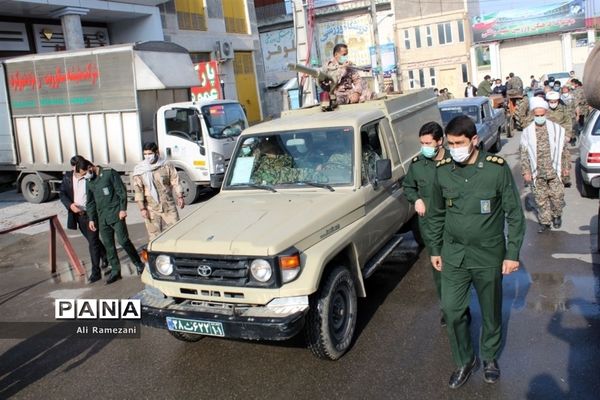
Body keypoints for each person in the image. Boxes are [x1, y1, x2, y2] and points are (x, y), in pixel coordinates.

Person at [425, 115, 525, 389]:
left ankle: (490, 357)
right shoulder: (443, 169)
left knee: (491, 310)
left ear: (474, 141)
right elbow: (435, 213)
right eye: (450, 143)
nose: (454, 148)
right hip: (454, 254)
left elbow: (514, 214)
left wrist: (512, 253)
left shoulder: (496, 169)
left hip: (488, 255)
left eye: (459, 143)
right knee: (453, 311)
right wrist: (435, 248)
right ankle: (464, 360)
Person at [402, 121, 448, 325]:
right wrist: (416, 199)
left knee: (461, 270)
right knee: (439, 269)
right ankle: (448, 309)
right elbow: (408, 187)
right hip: (431, 227)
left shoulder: (455, 160)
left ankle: (460, 304)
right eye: (422, 143)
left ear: (440, 141)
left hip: (457, 225)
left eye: (428, 143)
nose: (425, 147)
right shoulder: (418, 164)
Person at [81, 159, 145, 283]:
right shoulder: (89, 181)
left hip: (116, 213)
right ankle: (116, 270)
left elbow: (121, 191)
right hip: (102, 217)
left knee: (123, 240)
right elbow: (90, 202)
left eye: (85, 173)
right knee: (109, 245)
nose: (85, 176)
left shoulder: (109, 173)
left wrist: (123, 209)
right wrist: (91, 219)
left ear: (90, 167)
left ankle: (138, 263)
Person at [520, 97, 570, 233]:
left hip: (554, 170)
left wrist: (566, 168)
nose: (540, 118)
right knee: (541, 199)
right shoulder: (527, 132)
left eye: (542, 115)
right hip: (537, 171)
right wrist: (526, 172)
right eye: (537, 116)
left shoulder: (557, 130)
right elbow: (524, 154)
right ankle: (545, 222)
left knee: (557, 196)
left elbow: (564, 151)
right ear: (533, 115)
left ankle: (557, 215)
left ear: (546, 114)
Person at [59, 155, 108, 283]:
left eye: (78, 170)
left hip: (91, 214)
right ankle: (105, 255)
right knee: (92, 240)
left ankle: (95, 272)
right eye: (74, 170)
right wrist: (70, 205)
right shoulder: (68, 177)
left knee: (92, 242)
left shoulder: (90, 176)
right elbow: (62, 193)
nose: (76, 173)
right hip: (78, 215)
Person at [133, 142, 184, 242]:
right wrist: (142, 209)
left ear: (156, 153)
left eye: (150, 154)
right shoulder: (139, 170)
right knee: (154, 236)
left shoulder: (166, 165)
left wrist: (180, 196)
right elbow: (138, 191)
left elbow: (175, 180)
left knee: (176, 232)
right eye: (145, 154)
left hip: (168, 205)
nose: (148, 156)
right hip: (151, 207)